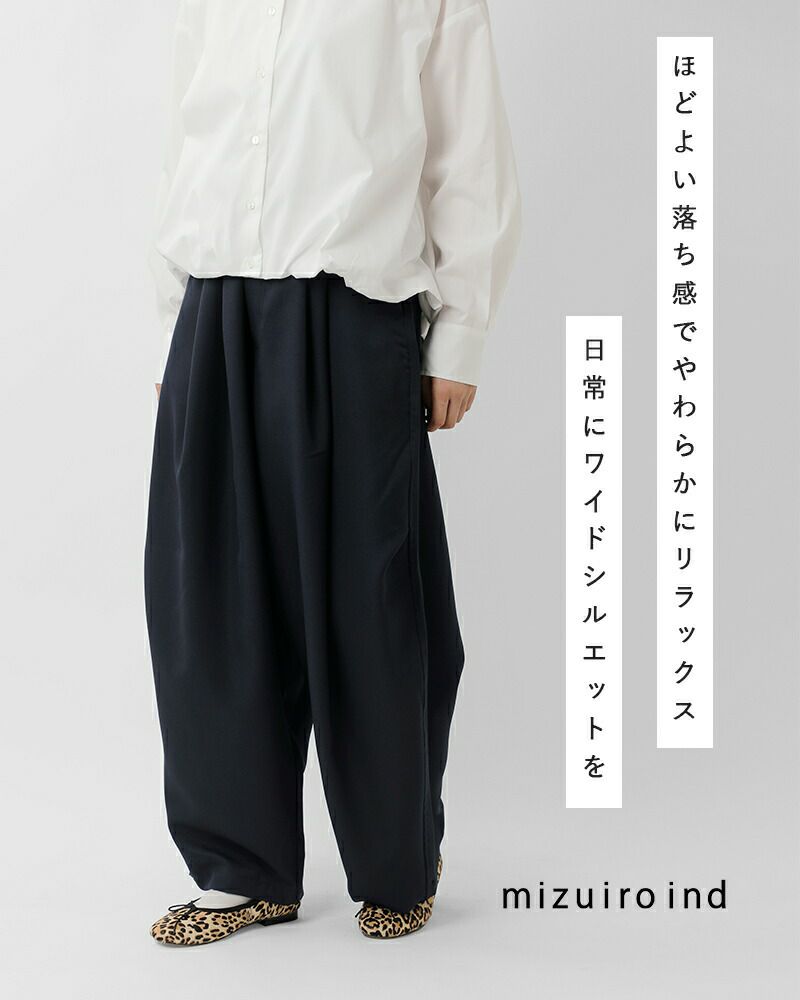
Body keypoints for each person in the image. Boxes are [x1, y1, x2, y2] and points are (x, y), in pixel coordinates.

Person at [145, 0, 521, 945]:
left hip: (354, 302)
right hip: (216, 304)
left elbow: (467, 149)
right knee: (212, 602)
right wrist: (174, 322)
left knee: (371, 595)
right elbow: (188, 136)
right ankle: (244, 871)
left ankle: (398, 864)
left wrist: (461, 332)